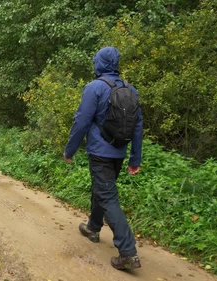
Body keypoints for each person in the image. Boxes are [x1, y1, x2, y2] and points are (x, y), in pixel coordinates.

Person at [63, 46, 143, 270]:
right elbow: (138, 127)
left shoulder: (94, 88)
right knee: (103, 189)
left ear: (99, 63)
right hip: (119, 152)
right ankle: (93, 227)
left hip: (99, 152)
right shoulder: (131, 89)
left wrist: (69, 150)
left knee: (107, 196)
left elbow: (81, 122)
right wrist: (135, 159)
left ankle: (128, 252)